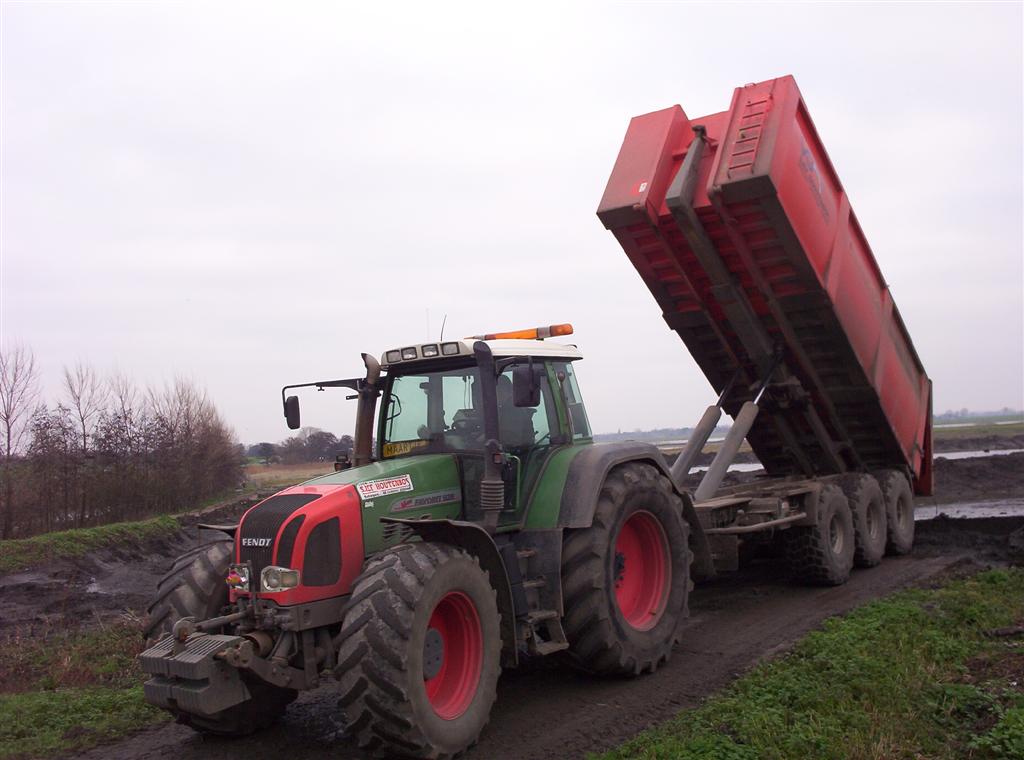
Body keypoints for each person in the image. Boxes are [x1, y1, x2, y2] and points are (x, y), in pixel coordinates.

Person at [495, 374, 536, 449]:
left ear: (508, 391)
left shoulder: (512, 410)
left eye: (498, 391)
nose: (496, 395)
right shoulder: (505, 408)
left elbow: (511, 439)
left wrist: (488, 436)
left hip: (519, 455)